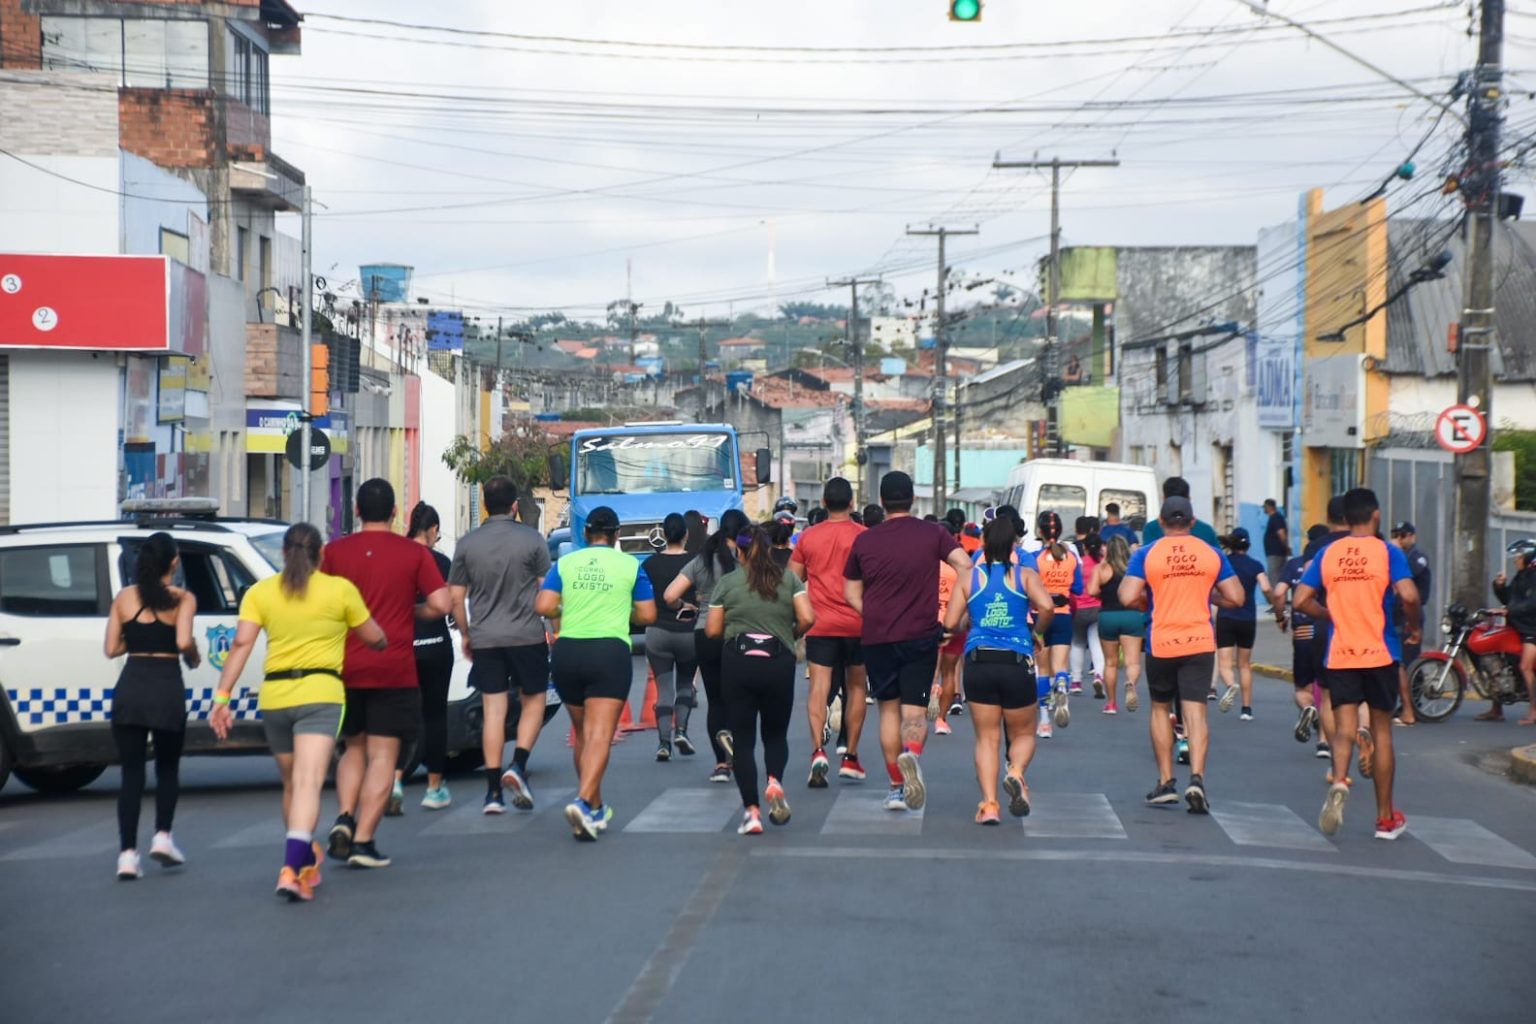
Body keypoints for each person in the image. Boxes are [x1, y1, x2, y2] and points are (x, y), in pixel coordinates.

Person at [210, 523, 387, 902]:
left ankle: (303, 856)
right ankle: (291, 870)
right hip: (321, 695)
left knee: (292, 784)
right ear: (321, 554)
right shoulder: (339, 590)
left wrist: (221, 698)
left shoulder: (260, 593)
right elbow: (374, 637)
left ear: (285, 553)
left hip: (275, 698)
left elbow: (241, 644)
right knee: (308, 783)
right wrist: (377, 639)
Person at [323, 479, 452, 869]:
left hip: (346, 666)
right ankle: (363, 841)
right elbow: (442, 603)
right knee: (383, 754)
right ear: (395, 513)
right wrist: (410, 613)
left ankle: (345, 816)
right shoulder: (413, 553)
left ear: (356, 511)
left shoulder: (334, 553)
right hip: (393, 666)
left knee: (353, 748)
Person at [1294, 488, 1420, 840]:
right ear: (1376, 515)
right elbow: (1409, 595)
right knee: (1381, 731)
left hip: (1341, 653)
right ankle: (1385, 819)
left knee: (1344, 728)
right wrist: (1413, 625)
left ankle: (1339, 780)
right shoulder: (1388, 552)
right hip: (1380, 653)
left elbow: (1300, 600)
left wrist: (1328, 613)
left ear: (1346, 519)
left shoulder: (1328, 553)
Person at [844, 471, 973, 812]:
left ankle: (896, 788)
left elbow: (850, 592)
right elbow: (965, 566)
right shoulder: (934, 534)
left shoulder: (865, 540)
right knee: (914, 711)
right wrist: (955, 614)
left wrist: (873, 612)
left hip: (878, 637)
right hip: (921, 634)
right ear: (913, 499)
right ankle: (911, 754)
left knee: (888, 709)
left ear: (882, 501)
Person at [535, 506, 657, 840]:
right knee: (601, 735)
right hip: (608, 652)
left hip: (568, 653)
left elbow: (543, 606)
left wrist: (568, 607)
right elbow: (648, 614)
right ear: (616, 536)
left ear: (586, 534)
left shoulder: (565, 563)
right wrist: (623, 609)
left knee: (583, 734)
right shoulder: (630, 565)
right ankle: (582, 800)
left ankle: (595, 806)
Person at [1120, 496, 1244, 815]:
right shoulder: (1211, 553)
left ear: (1161, 522)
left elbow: (1127, 596)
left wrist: (1148, 603)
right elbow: (1237, 597)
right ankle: (1197, 779)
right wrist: (1210, 597)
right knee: (1196, 713)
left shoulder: (1147, 554)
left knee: (1161, 708)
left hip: (1162, 641)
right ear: (1192, 522)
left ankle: (1166, 783)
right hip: (1199, 641)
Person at [449, 476, 553, 814]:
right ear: (515, 506)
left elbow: (455, 597)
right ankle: (518, 764)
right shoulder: (532, 540)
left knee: (493, 710)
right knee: (534, 700)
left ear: (484, 505)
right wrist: (555, 629)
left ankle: (493, 793)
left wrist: (467, 634)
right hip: (526, 635)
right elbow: (547, 591)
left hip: (486, 637)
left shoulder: (467, 544)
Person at [944, 518, 1056, 824]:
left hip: (979, 661)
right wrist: (1037, 633)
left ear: (983, 543)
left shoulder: (969, 577)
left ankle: (990, 805)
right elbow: (1047, 607)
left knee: (987, 738)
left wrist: (970, 621)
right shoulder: (1025, 575)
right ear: (1013, 546)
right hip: (1016, 660)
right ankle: (1016, 771)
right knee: (1023, 733)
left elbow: (950, 623)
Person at [709, 522, 816, 835]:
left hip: (739, 663)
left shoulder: (727, 583)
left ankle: (752, 813)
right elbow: (808, 617)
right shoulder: (789, 579)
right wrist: (789, 635)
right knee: (775, 734)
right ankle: (774, 782)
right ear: (769, 550)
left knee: (743, 740)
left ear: (738, 551)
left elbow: (712, 630)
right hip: (778, 662)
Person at [104, 532, 199, 879]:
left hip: (130, 687)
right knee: (167, 767)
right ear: (173, 562)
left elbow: (111, 649)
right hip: (165, 688)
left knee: (131, 774)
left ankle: (127, 856)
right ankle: (162, 836)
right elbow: (183, 641)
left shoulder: (124, 597)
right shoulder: (183, 599)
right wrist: (194, 655)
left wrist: (136, 639)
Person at [789, 477, 869, 786]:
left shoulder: (808, 537)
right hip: (858, 623)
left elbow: (792, 580)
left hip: (820, 624)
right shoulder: (864, 537)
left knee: (819, 688)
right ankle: (851, 755)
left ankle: (817, 750)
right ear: (852, 503)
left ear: (823, 503)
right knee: (857, 686)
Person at [665, 509, 751, 784]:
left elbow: (669, 595)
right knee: (739, 698)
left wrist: (688, 606)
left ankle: (721, 764)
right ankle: (738, 752)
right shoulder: (744, 560)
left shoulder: (701, 560)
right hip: (736, 634)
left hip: (704, 634)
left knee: (715, 701)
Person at [402, 502, 455, 812]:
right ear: (433, 529)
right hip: (435, 645)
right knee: (435, 716)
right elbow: (449, 603)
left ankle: (394, 781)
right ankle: (434, 787)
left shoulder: (396, 557)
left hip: (402, 647)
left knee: (398, 714)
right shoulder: (441, 562)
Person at [642, 513, 701, 761]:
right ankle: (682, 731)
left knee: (664, 689)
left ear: (663, 535)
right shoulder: (696, 562)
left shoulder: (649, 564)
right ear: (686, 534)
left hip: (658, 633)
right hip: (689, 633)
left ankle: (663, 743)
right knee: (685, 685)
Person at [1273, 526, 1334, 759]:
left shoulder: (1295, 564)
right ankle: (1324, 742)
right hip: (1327, 629)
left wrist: (1281, 617)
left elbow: (1279, 593)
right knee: (1326, 690)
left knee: (1302, 688)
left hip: (1302, 631)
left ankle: (1309, 708)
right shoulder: (1332, 560)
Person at [1215, 527, 1273, 721]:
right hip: (1247, 618)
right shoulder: (1255, 565)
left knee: (1224, 663)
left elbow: (1213, 587)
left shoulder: (1224, 563)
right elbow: (1266, 587)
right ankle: (1246, 709)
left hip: (1226, 616)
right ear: (1248, 545)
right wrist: (1275, 605)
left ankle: (1231, 685)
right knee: (1245, 665)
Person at [1034, 510, 1083, 737]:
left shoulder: (1035, 558)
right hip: (1063, 615)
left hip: (1041, 616)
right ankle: (1062, 684)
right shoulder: (1071, 558)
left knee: (1042, 670)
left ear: (1040, 531)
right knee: (1060, 666)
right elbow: (1078, 589)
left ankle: (1045, 723)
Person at [1089, 534, 1142, 714]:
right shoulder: (1133, 568)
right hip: (1131, 615)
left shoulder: (1101, 568)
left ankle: (1111, 703)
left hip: (1108, 615)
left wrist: (1104, 594)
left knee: (1110, 663)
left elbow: (1091, 590)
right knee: (1132, 661)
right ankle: (1131, 683)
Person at [934, 510, 972, 736]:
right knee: (949, 672)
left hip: (928, 624)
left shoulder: (925, 565)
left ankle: (928, 699)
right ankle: (941, 718)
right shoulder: (960, 568)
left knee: (928, 672)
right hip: (954, 622)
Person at [1390, 521, 1431, 726]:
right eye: (1396, 535)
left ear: (1411, 537)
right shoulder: (1399, 556)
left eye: (1402, 535)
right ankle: (1405, 704)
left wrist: (1395, 553)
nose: (1399, 539)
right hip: (1397, 614)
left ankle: (1413, 704)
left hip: (1411, 615)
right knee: (1399, 661)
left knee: (1409, 661)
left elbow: (1405, 577)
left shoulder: (1417, 557)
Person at [1491, 550, 1536, 726]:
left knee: (1526, 666)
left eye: (1519, 557)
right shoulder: (1521, 577)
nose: (1515, 560)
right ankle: (1496, 709)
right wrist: (1499, 587)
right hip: (1518, 626)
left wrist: (1510, 611)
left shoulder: (1533, 577)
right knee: (1499, 661)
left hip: (1532, 629)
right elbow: (1510, 598)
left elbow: (1531, 603)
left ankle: (1534, 711)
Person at [1070, 517, 1106, 700]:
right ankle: (1099, 674)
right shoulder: (1102, 563)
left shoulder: (1078, 562)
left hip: (1078, 608)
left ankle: (1076, 681)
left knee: (1077, 643)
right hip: (1098, 607)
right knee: (1096, 643)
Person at [1139, 477, 1221, 548]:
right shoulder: (1207, 530)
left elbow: (1146, 558)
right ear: (1189, 499)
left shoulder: (1151, 529)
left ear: (1164, 499)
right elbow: (1219, 559)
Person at [1263, 499, 1290, 583]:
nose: (1264, 509)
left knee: (1273, 579)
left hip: (1276, 554)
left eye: (1265, 507)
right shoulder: (1274, 518)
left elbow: (1281, 534)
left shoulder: (1276, 518)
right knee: (1274, 577)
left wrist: (1286, 548)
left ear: (1269, 507)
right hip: (1275, 554)